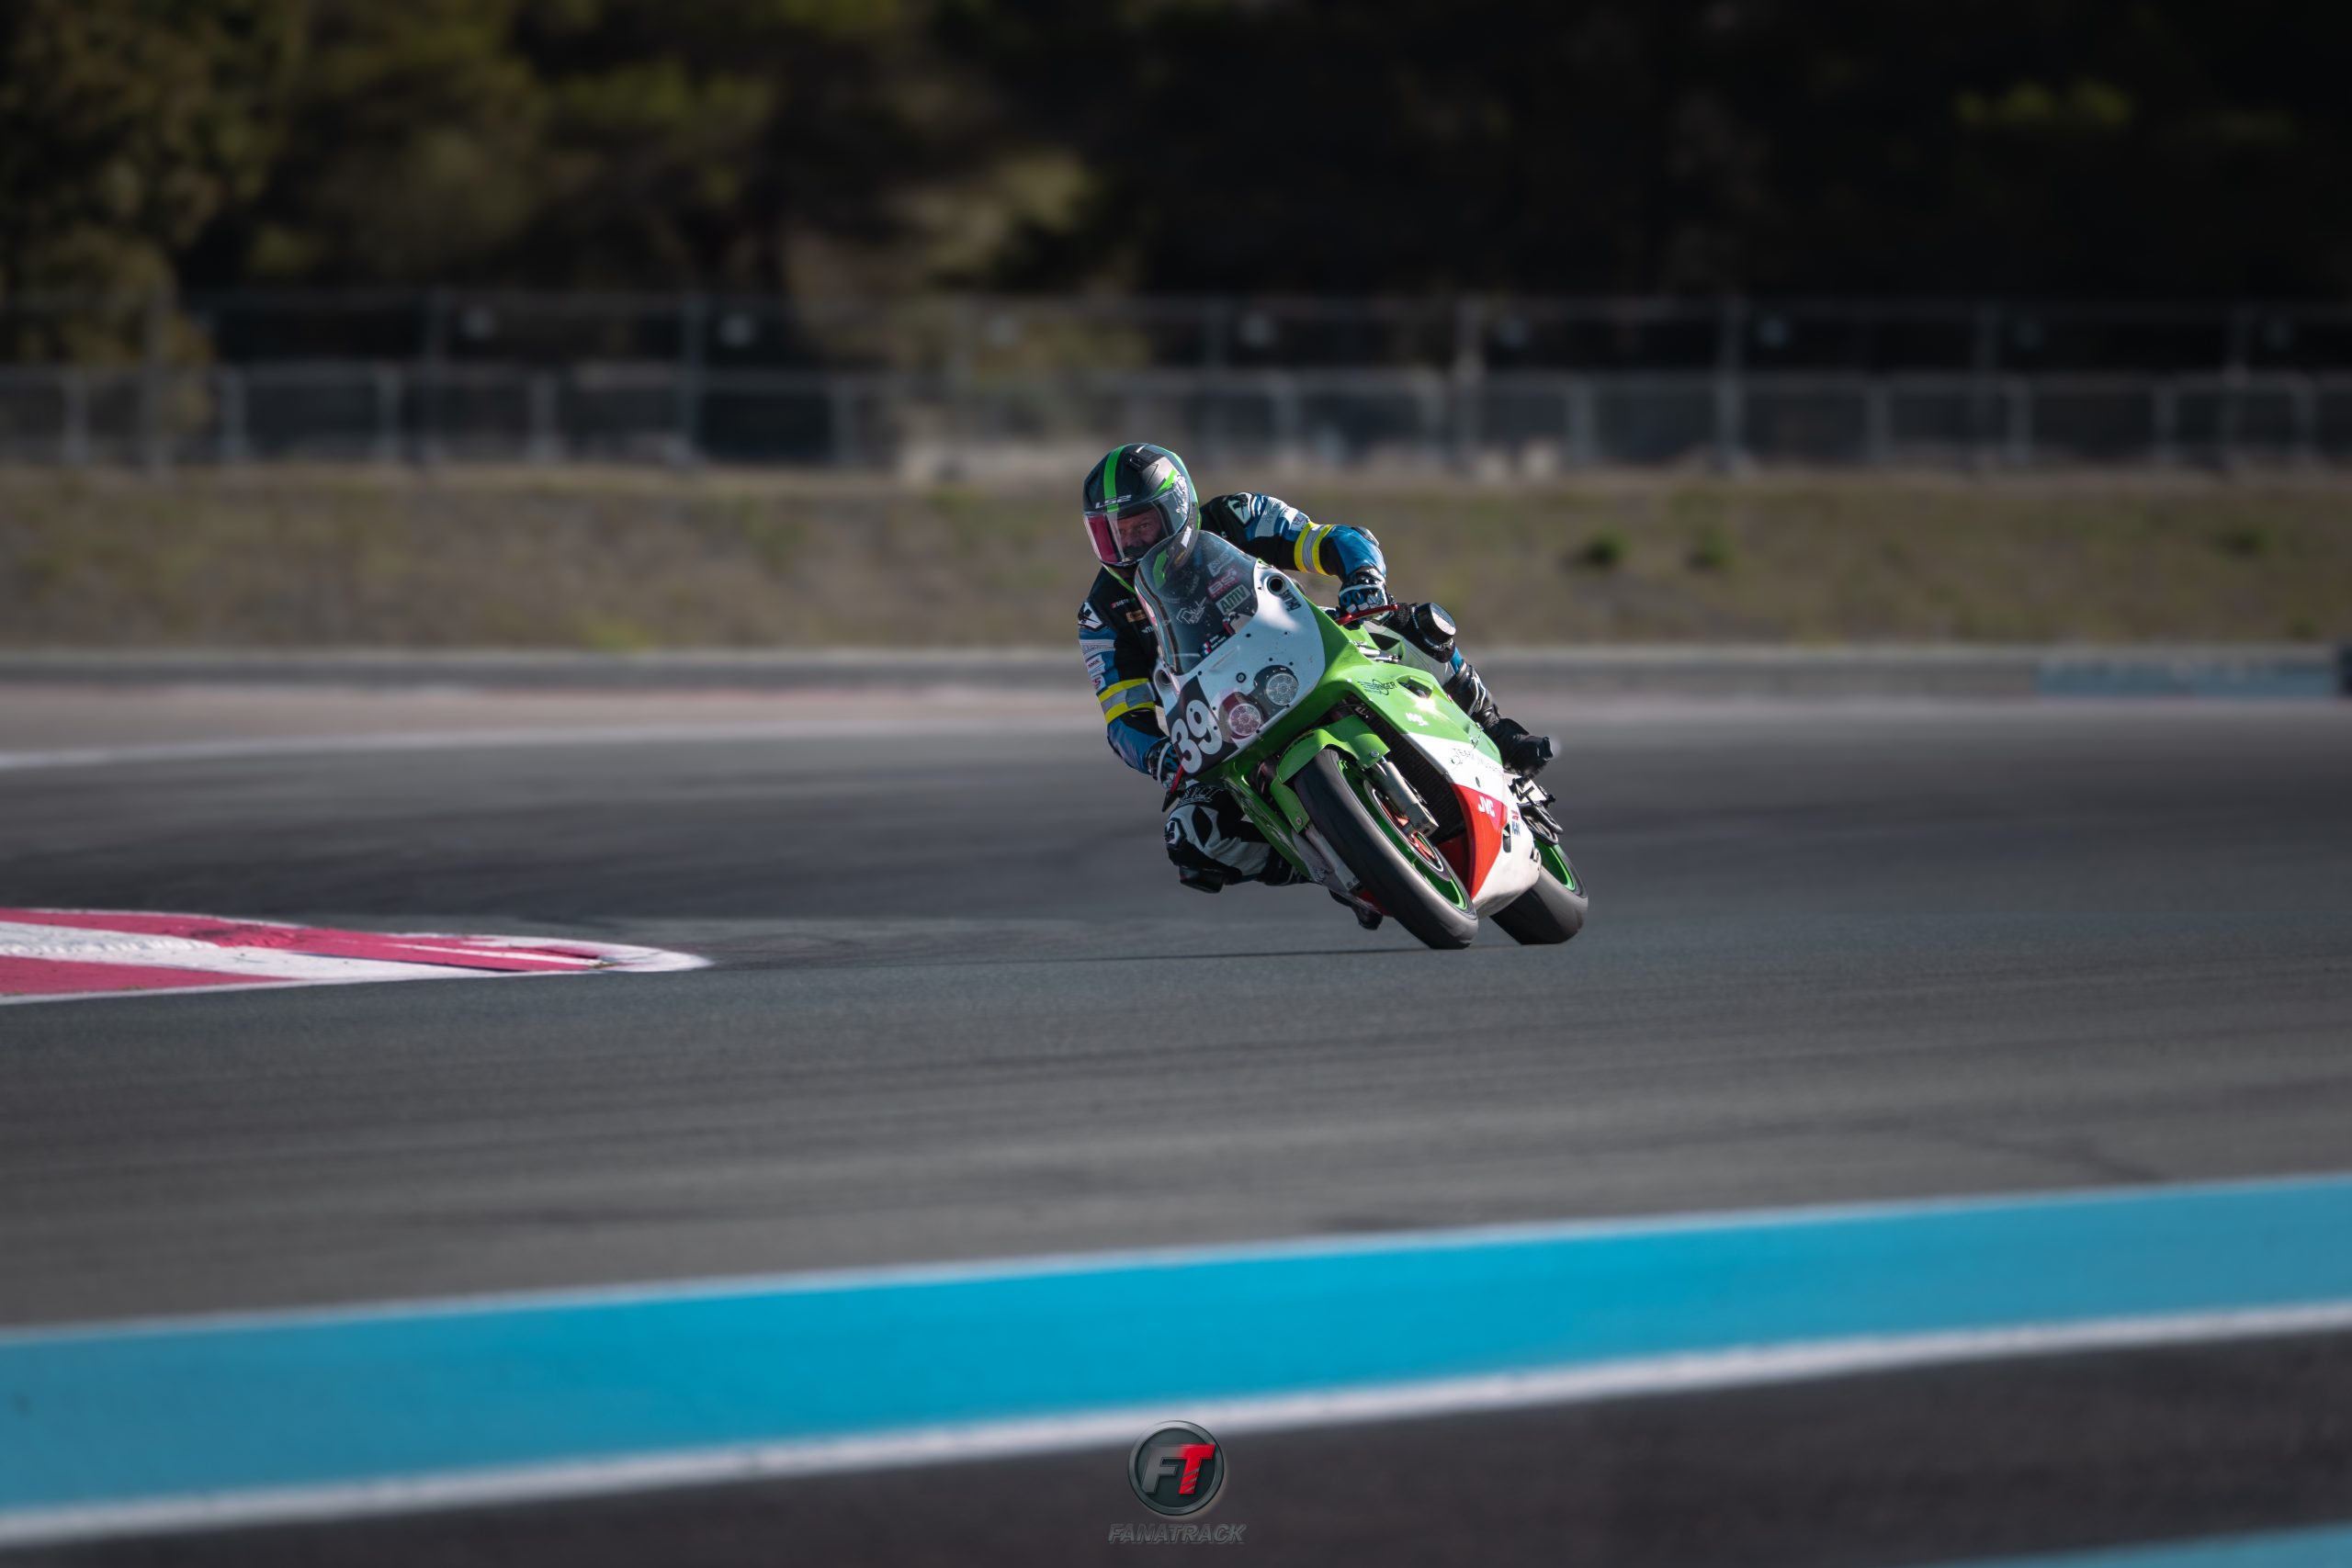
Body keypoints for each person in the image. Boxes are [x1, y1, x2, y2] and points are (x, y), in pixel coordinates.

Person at [1077, 442, 1555, 897]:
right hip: (1224, 718)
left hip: (1302, 645)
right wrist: (1159, 757)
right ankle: (1334, 864)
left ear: (1177, 509)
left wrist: (1363, 579)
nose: (1129, 545)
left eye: (1141, 526)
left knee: (1413, 624)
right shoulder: (1101, 613)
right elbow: (1122, 719)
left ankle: (1497, 729)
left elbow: (1335, 540)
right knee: (1191, 834)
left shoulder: (1237, 515)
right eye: (1113, 533)